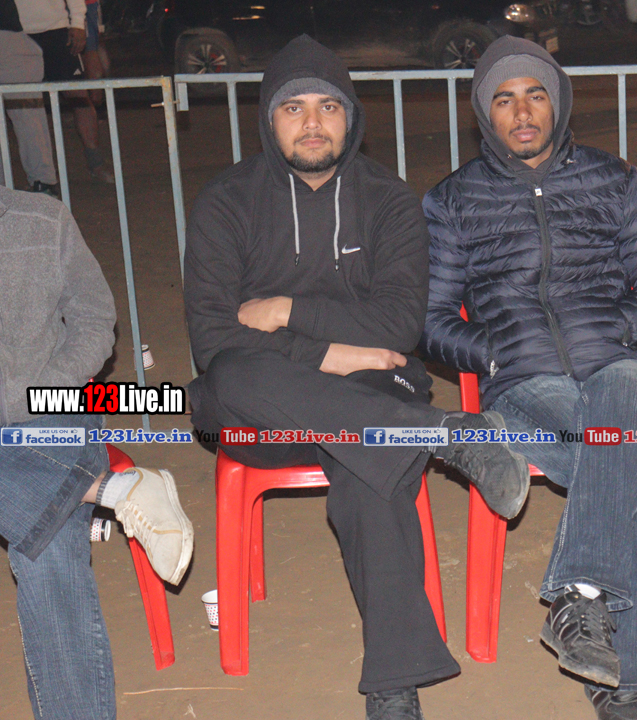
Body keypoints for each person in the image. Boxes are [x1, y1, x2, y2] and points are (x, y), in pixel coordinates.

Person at [182, 34, 530, 720]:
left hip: (369, 399)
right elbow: (214, 338)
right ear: (269, 120)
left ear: (351, 117)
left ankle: (395, 685)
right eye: (294, 109)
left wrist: (287, 312)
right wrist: (329, 353)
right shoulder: (226, 201)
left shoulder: (389, 200)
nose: (313, 123)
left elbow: (398, 326)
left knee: (368, 454)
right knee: (229, 378)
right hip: (263, 407)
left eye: (328, 107)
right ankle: (443, 433)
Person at [422, 36, 637, 720]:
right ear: (484, 114)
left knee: (632, 389)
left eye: (535, 95)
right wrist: (491, 353)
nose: (522, 112)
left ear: (558, 102)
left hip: (611, 363)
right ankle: (624, 681)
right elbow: (429, 317)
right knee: (623, 458)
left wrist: (622, 329)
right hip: (525, 377)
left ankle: (579, 596)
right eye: (504, 100)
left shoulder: (613, 179)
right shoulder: (454, 199)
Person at [0, 184, 194, 719]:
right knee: (48, 530)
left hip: (48, 410)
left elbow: (93, 318)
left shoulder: (42, 219)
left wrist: (48, 387)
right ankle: (109, 488)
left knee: (44, 547)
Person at [14, 0, 115, 183]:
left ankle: (96, 162)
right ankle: (41, 177)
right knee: (26, 104)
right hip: (18, 34)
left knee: (78, 96)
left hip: (57, 30)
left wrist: (77, 23)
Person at [0, 0, 60, 197]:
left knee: (28, 112)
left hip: (9, 34)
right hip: (10, 36)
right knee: (28, 115)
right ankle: (43, 183)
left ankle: (41, 183)